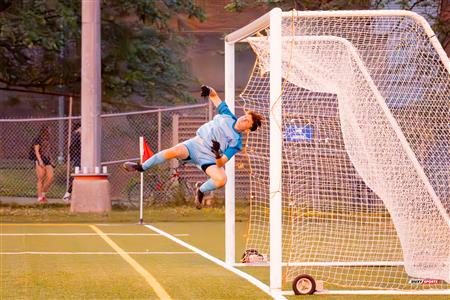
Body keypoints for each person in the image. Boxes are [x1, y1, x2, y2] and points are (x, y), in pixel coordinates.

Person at [122, 85, 264, 209]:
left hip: (208, 159)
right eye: (245, 116)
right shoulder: (227, 115)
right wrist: (208, 89)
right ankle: (141, 167)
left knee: (222, 179)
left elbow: (221, 163)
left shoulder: (236, 142)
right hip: (195, 145)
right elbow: (214, 95)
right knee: (175, 150)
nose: (243, 119)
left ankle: (201, 190)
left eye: (247, 121)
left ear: (248, 129)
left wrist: (216, 153)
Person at [29, 125, 54, 204]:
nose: (50, 132)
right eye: (49, 130)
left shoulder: (48, 139)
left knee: (50, 177)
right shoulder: (37, 139)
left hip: (47, 160)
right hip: (39, 159)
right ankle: (40, 197)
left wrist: (52, 160)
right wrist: (40, 161)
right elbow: (36, 151)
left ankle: (43, 194)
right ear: (44, 131)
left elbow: (48, 151)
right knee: (41, 179)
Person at [63, 123, 81, 203]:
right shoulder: (76, 135)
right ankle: (67, 194)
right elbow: (72, 147)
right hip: (78, 159)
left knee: (80, 177)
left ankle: (73, 195)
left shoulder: (79, 135)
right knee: (77, 176)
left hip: (82, 158)